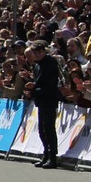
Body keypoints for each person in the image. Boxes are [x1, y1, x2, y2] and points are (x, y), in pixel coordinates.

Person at [26, 40, 63, 168]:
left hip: (49, 99)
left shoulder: (50, 64)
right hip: (41, 100)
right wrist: (32, 88)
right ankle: (46, 154)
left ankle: (52, 157)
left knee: (49, 129)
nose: (36, 55)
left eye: (38, 52)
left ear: (43, 51)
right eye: (34, 53)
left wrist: (34, 90)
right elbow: (38, 82)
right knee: (42, 130)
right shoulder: (37, 65)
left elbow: (49, 85)